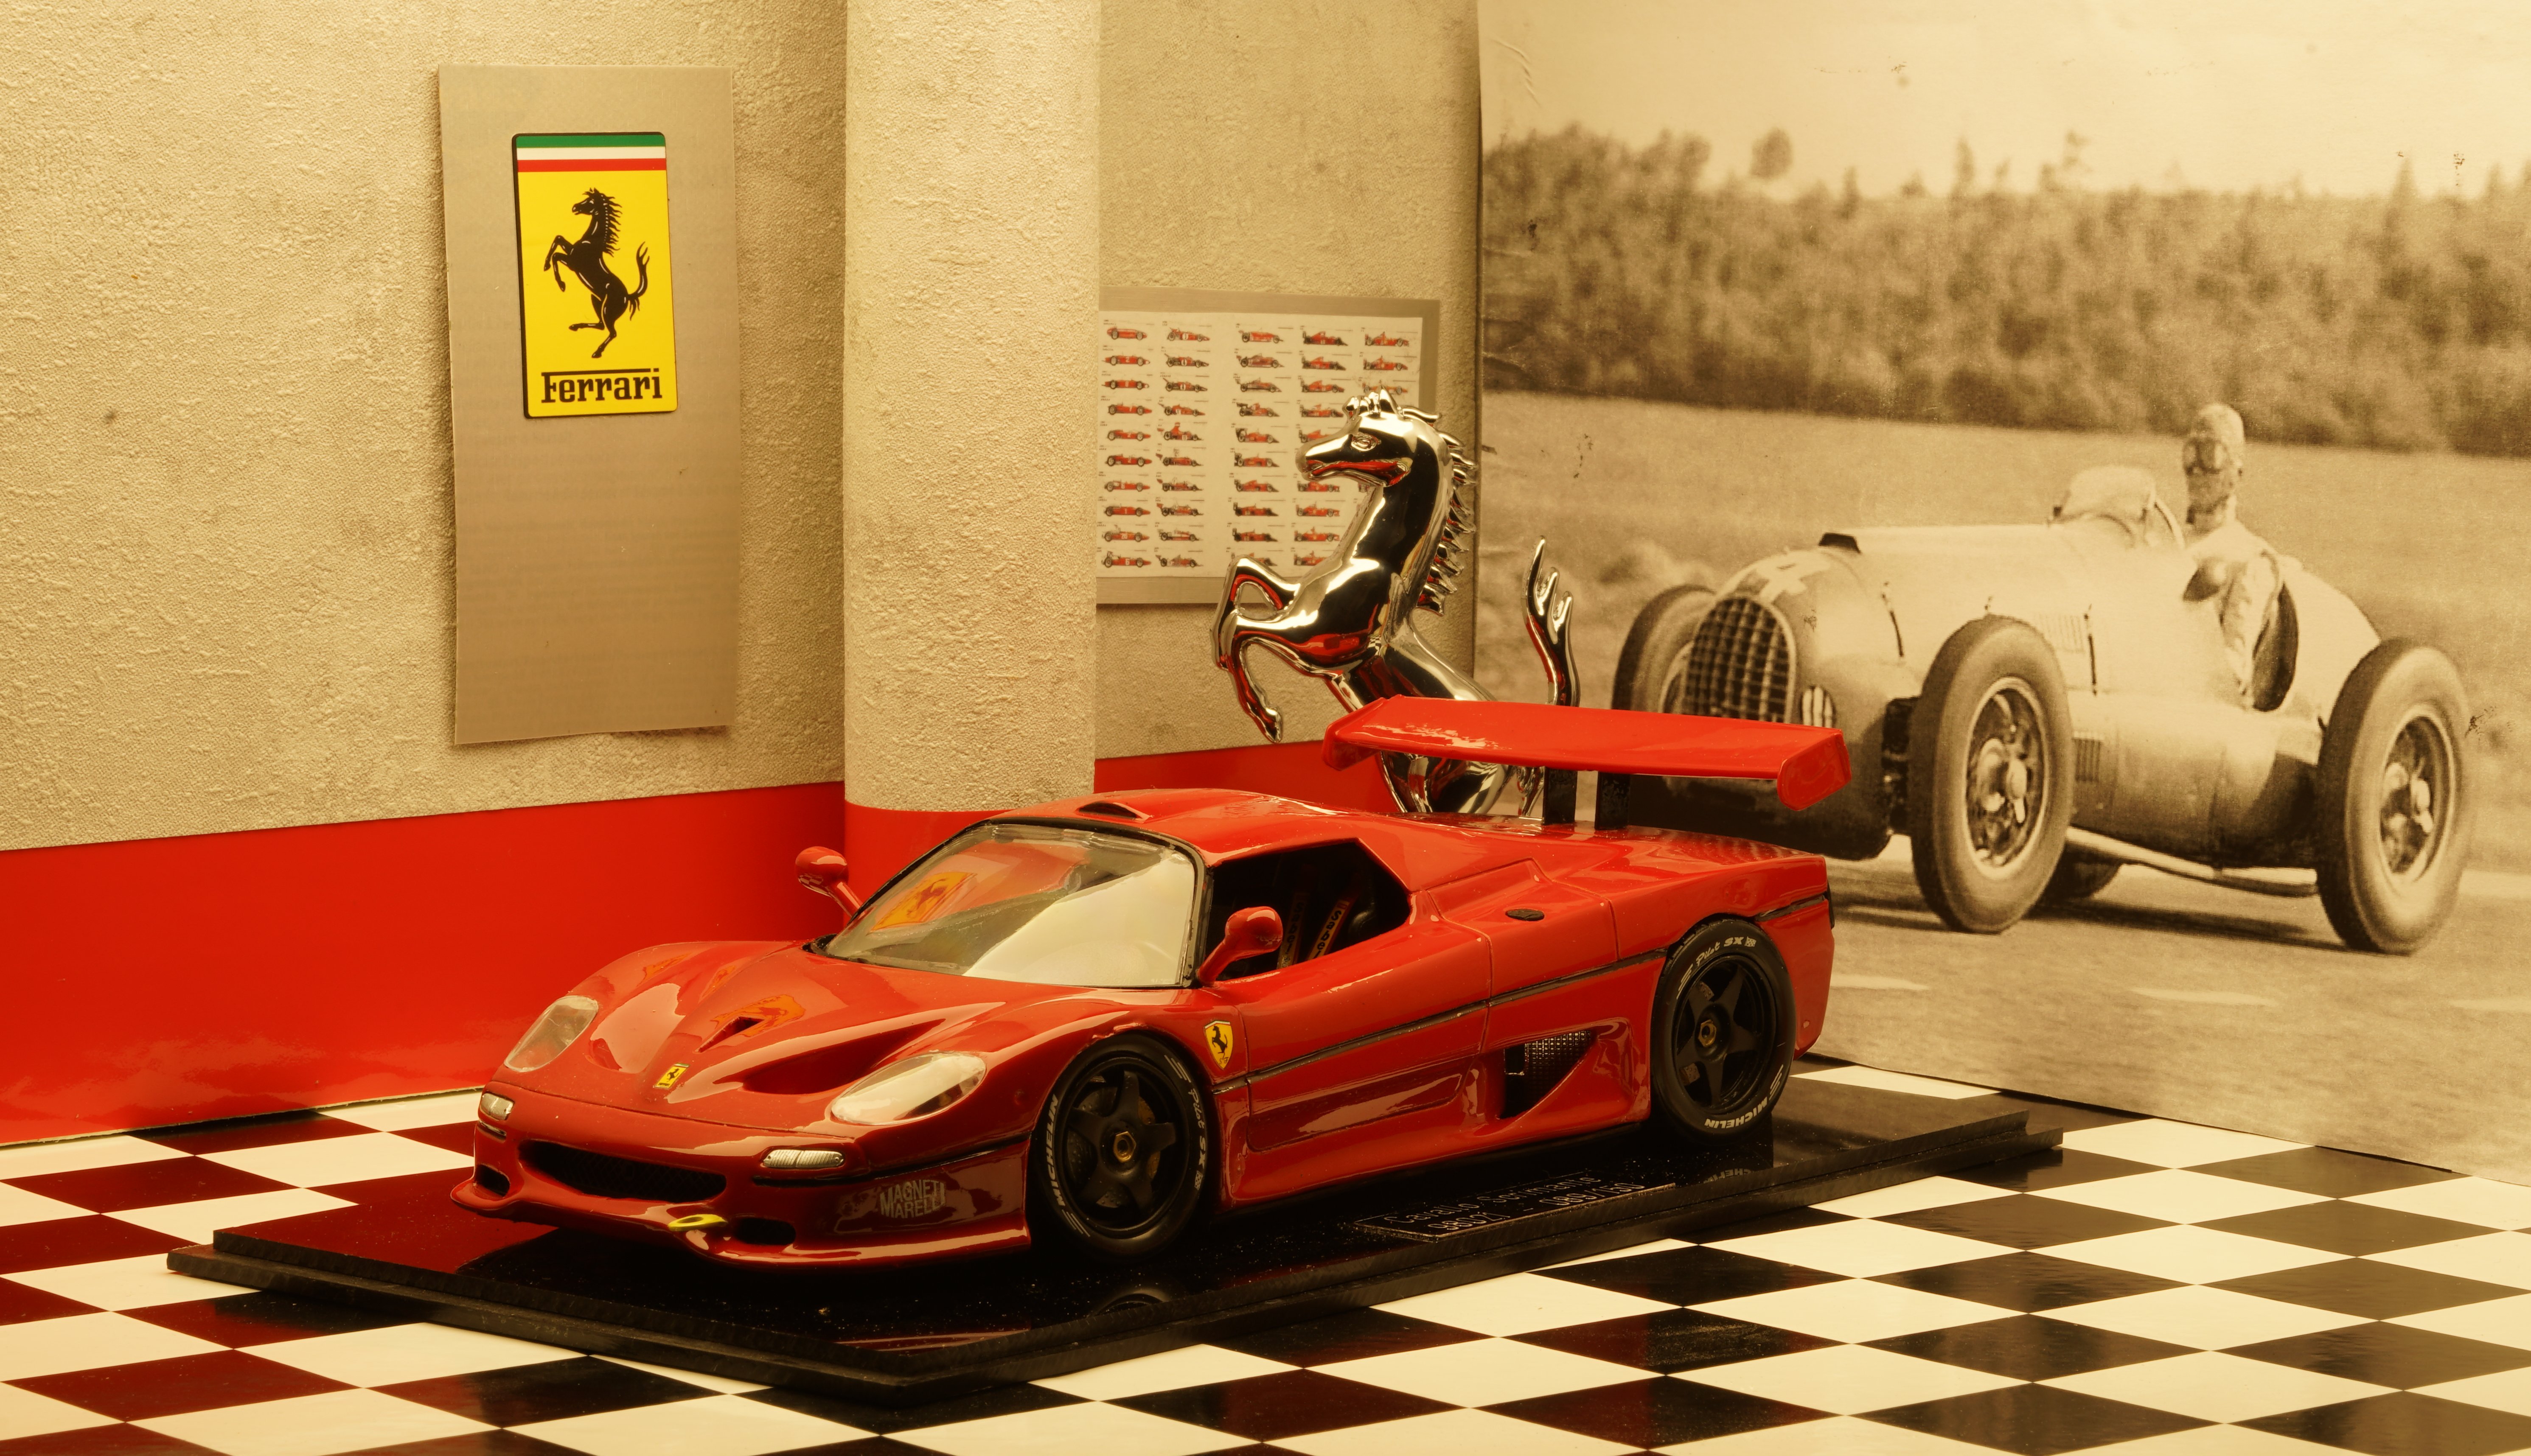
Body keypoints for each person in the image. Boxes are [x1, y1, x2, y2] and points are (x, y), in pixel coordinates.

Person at [2178, 403, 2281, 699]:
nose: (2197, 470)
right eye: (2190, 454)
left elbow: (2234, 670)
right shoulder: (2168, 542)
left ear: (2235, 474)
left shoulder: (2251, 560)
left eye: (2211, 455)